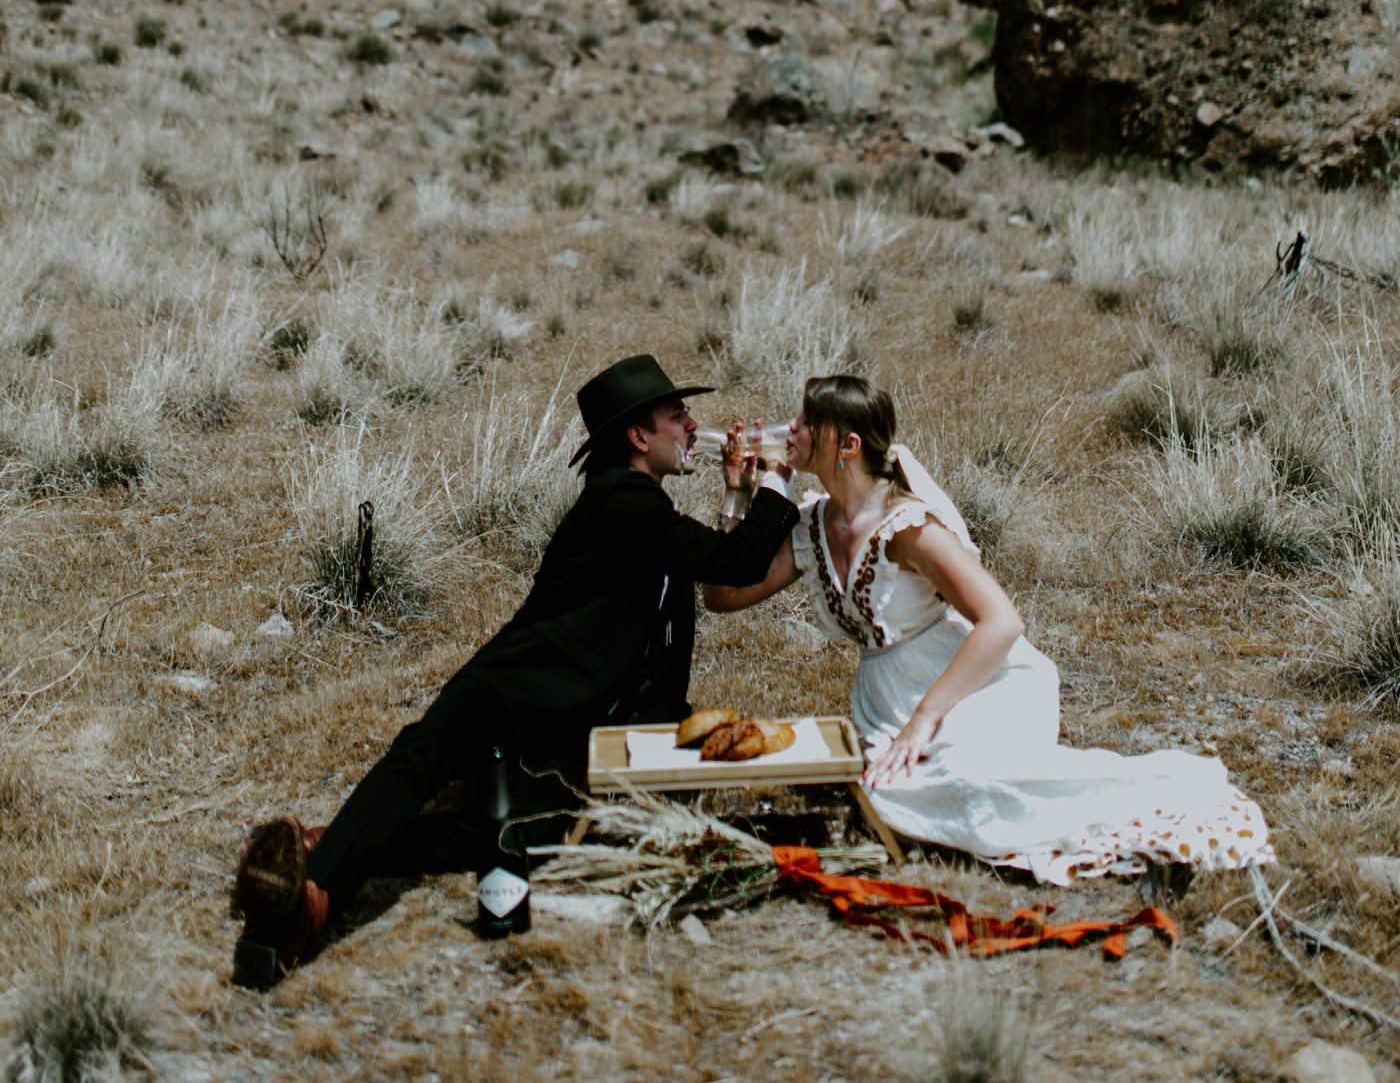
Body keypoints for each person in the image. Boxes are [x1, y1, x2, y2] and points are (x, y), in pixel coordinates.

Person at [232, 354, 797, 981]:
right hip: (511, 687)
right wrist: (779, 477)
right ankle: (308, 906)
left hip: (557, 707)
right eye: (677, 415)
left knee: (523, 830)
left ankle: (312, 848)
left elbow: (713, 561)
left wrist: (737, 493)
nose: (692, 425)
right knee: (420, 760)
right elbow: (739, 561)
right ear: (639, 436)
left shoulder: (642, 506)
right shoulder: (621, 498)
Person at [704, 373, 1273, 885]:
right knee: (893, 796)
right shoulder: (815, 525)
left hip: (972, 684)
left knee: (972, 789)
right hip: (885, 701)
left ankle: (1164, 794)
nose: (791, 428)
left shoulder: (908, 526)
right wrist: (739, 491)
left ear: (847, 445)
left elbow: (1002, 622)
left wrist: (925, 720)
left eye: (807, 420)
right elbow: (722, 595)